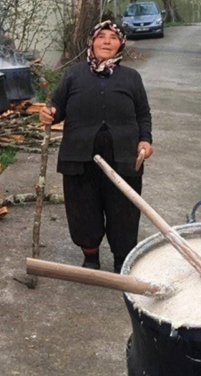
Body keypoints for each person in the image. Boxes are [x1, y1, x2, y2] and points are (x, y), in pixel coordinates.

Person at [40, 20, 153, 272]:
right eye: (101, 37)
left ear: (120, 44)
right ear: (91, 42)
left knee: (124, 211)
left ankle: (122, 260)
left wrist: (145, 140)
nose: (106, 42)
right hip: (79, 157)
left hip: (123, 156)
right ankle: (90, 256)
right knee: (83, 208)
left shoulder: (131, 77)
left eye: (113, 37)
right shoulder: (74, 74)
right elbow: (56, 107)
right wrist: (48, 114)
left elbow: (143, 114)